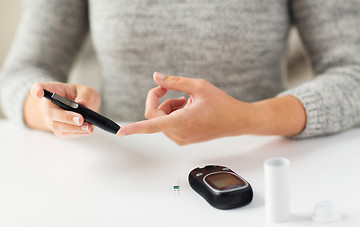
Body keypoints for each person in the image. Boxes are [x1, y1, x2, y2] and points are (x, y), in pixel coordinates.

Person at [1, 0, 360, 144]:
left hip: (259, 162)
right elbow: (22, 72)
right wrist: (47, 112)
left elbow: (352, 72)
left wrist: (249, 118)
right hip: (124, 167)